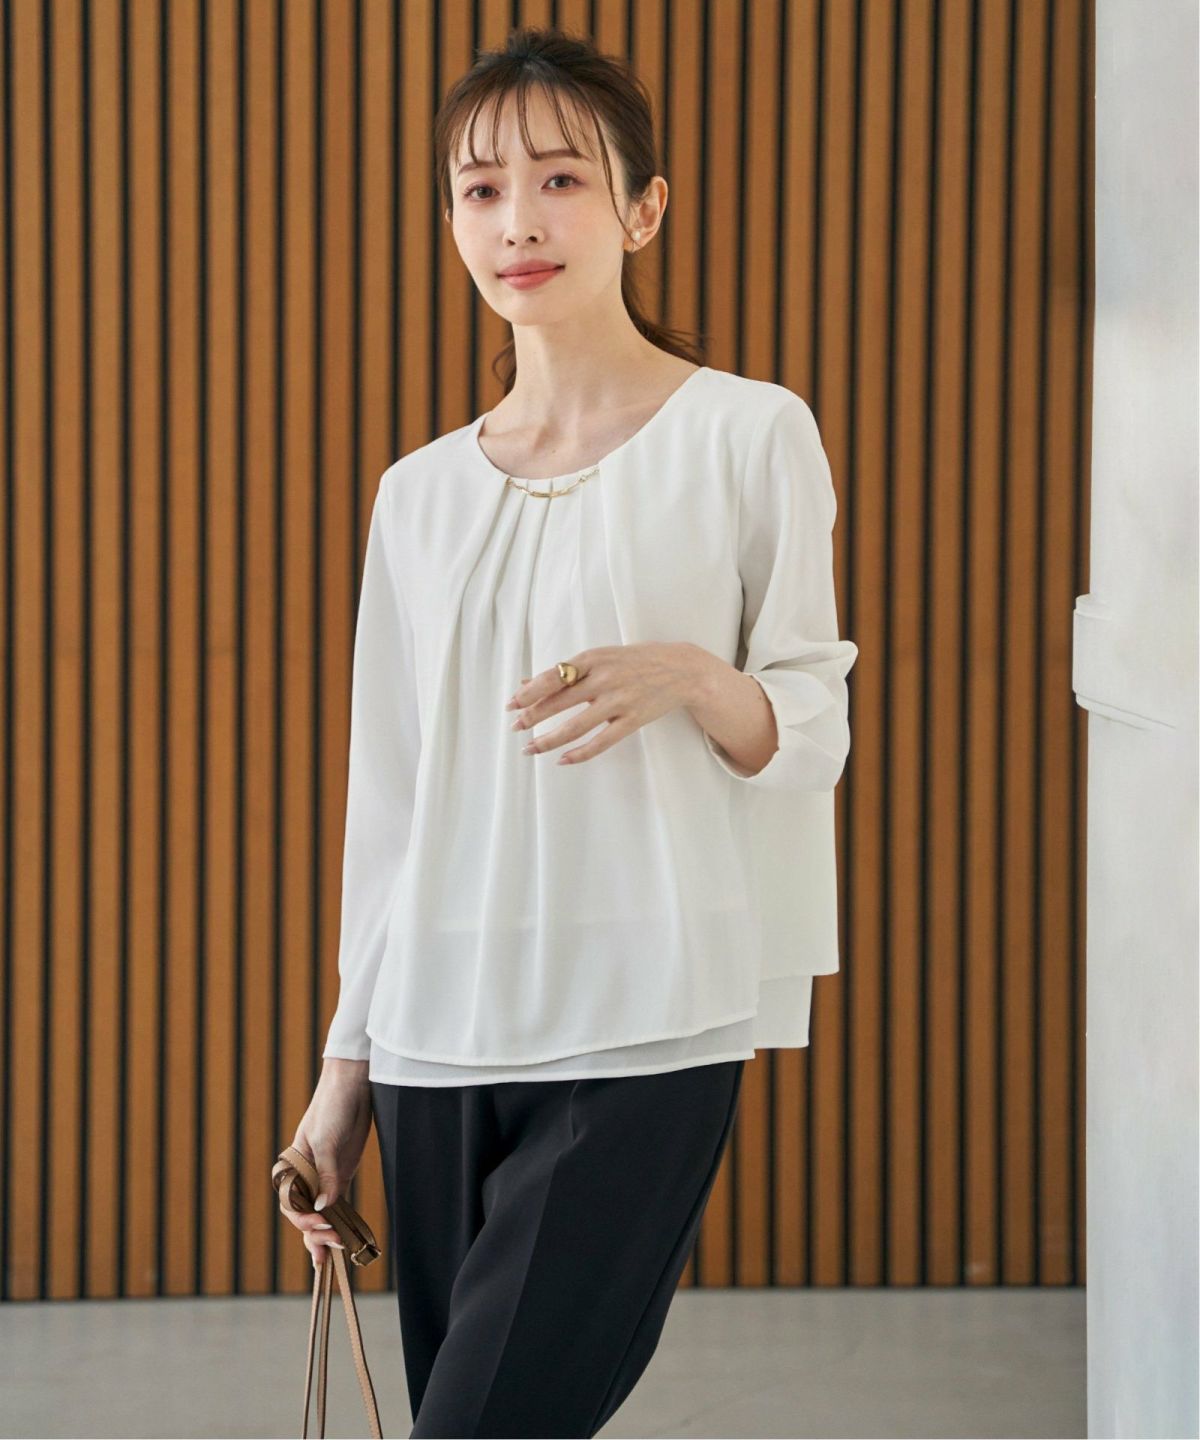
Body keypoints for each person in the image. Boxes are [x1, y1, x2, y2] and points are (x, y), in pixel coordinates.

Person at [280, 24, 858, 1440]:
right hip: (439, 1019)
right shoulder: (417, 494)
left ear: (643, 210)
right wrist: (345, 1073)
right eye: (480, 190)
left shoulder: (748, 434)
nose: (517, 222)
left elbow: (811, 723)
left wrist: (691, 675)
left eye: (560, 180)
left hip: (652, 1006)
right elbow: (391, 806)